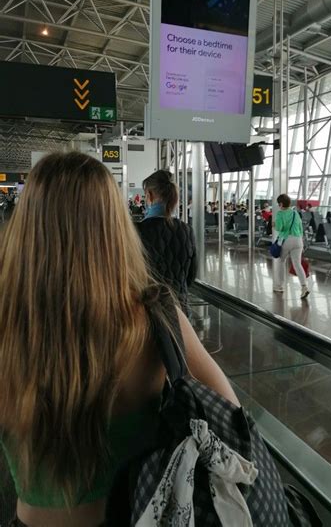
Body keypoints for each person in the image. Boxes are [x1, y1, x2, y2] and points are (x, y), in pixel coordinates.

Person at [0, 152, 239, 527]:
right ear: (114, 225)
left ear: (26, 224)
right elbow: (230, 411)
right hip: (138, 513)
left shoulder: (7, 327)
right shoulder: (156, 317)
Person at [137, 170, 197, 318]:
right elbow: (191, 274)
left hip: (147, 312)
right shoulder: (186, 230)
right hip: (179, 311)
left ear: (149, 196)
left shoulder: (137, 231)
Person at [273, 194, 309, 299]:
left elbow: (280, 228)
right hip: (298, 240)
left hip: (286, 240)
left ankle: (280, 286)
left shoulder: (280, 214)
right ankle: (304, 287)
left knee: (281, 261)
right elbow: (300, 227)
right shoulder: (295, 213)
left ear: (280, 204)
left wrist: (274, 224)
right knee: (297, 264)